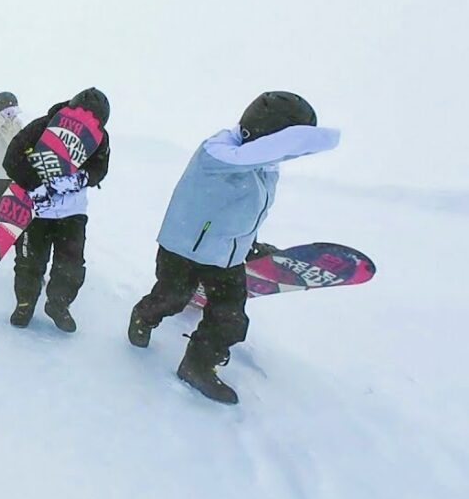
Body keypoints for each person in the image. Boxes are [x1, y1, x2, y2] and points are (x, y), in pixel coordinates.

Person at [127, 91, 340, 404]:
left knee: (230, 319)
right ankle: (143, 315)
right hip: (184, 248)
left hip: (228, 255)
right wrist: (312, 137)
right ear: (270, 134)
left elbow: (237, 207)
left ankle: (196, 365)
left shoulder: (265, 165)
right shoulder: (218, 154)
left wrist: (248, 244)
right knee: (171, 298)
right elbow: (268, 151)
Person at [2, 88, 111, 332]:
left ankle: (58, 305)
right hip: (36, 211)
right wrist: (35, 183)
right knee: (29, 261)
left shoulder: (100, 138)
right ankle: (25, 303)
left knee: (71, 265)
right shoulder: (42, 125)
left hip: (73, 213)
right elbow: (11, 158)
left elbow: (100, 169)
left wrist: (81, 179)